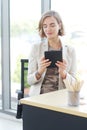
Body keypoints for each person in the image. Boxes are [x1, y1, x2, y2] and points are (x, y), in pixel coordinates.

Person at [27, 10, 77, 96]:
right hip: (39, 96)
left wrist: (64, 74)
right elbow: (30, 81)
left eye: (52, 25)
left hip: (60, 96)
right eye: (45, 26)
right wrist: (39, 71)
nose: (48, 29)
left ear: (59, 25)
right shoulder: (36, 48)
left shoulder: (70, 50)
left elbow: (74, 84)